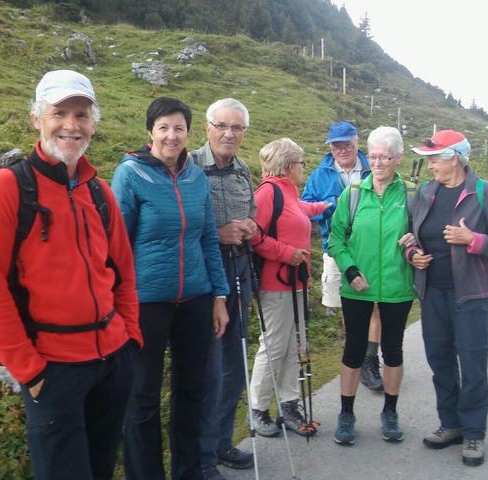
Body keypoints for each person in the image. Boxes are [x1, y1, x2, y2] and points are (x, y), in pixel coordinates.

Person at [0, 69, 142, 479]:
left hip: (112, 361)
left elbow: (123, 273)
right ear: (36, 119)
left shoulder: (99, 192)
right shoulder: (4, 190)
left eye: (81, 115)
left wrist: (130, 341)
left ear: (93, 124)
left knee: (100, 469)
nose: (71, 125)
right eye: (59, 113)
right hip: (52, 369)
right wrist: (30, 370)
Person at [112, 97, 230, 480]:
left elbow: (208, 238)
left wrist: (219, 296)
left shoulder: (196, 176)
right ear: (150, 131)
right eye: (163, 127)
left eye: (179, 128)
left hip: (195, 299)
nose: (171, 135)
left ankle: (189, 471)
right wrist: (117, 304)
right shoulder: (130, 174)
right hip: (145, 303)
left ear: (188, 132)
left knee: (192, 390)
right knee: (142, 397)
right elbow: (117, 244)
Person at [407, 129, 488, 467]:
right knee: (439, 359)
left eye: (434, 159)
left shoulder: (485, 192)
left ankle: (473, 432)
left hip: (472, 294)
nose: (429, 166)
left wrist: (472, 239)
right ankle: (450, 423)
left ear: (453, 158)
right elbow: (410, 235)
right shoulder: (426, 193)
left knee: (472, 362)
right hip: (432, 291)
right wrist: (413, 255)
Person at [327, 126, 416, 446]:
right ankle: (346, 414)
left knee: (393, 350)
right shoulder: (352, 194)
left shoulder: (412, 195)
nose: (377, 164)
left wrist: (417, 243)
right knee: (353, 350)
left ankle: (390, 412)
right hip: (357, 287)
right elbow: (336, 239)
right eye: (373, 156)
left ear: (398, 158)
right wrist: (350, 271)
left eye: (385, 158)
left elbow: (425, 235)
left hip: (397, 286)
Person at [192, 98, 257, 480]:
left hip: (240, 271)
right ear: (208, 128)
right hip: (203, 278)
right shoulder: (188, 167)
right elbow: (180, 225)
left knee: (234, 362)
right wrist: (219, 234)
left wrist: (250, 226)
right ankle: (200, 456)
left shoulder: (242, 170)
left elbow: (253, 213)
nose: (229, 133)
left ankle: (221, 444)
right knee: (207, 367)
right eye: (222, 125)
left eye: (237, 128)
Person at [249, 138, 328, 438]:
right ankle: (258, 409)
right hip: (276, 283)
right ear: (288, 165)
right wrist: (286, 253)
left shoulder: (288, 192)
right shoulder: (268, 192)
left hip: (296, 282)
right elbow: (254, 235)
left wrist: (326, 205)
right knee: (274, 346)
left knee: (296, 345)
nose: (303, 167)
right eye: (301, 163)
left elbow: (301, 210)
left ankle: (289, 405)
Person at [302, 121, 384, 392]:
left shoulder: (373, 167)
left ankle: (370, 361)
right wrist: (330, 206)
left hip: (373, 248)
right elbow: (306, 207)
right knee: (350, 309)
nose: (342, 150)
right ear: (330, 147)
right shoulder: (320, 175)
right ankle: (356, 356)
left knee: (375, 305)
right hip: (337, 249)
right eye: (336, 146)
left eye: (347, 145)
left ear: (357, 143)